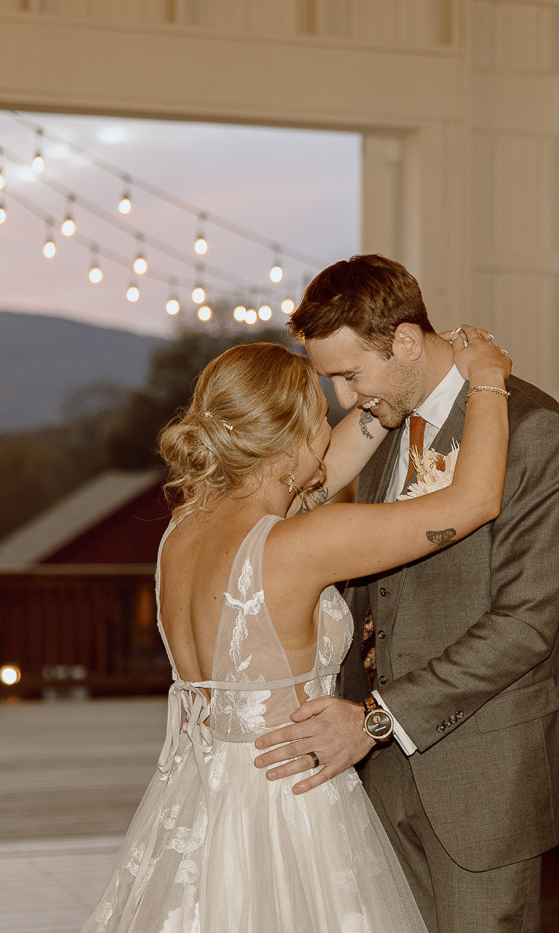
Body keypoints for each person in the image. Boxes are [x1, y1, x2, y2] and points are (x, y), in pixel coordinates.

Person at [80, 329, 511, 932]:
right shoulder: (298, 545)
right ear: (289, 439)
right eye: (319, 414)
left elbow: (310, 473)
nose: (330, 423)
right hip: (288, 802)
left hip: (201, 797)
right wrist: (488, 378)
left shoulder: (183, 532)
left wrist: (377, 402)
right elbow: (473, 502)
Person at [260, 254, 559, 933]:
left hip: (482, 772)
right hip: (380, 772)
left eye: (351, 374)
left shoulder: (531, 432)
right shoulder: (387, 425)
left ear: (406, 341)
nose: (346, 397)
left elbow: (525, 626)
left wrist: (377, 717)